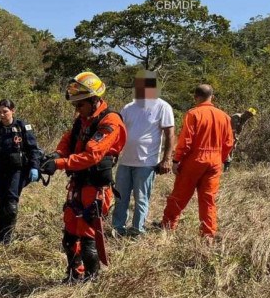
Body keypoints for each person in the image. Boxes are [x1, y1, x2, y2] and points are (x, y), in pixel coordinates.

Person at [41, 72, 127, 283]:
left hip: (95, 186)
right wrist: (57, 154)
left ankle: (91, 279)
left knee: (88, 236)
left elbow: (92, 155)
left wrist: (59, 164)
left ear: (94, 99)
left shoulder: (110, 121)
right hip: (78, 182)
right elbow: (69, 138)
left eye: (80, 105)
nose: (77, 110)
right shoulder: (83, 119)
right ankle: (74, 274)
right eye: (75, 106)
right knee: (70, 234)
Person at [159, 85, 234, 240]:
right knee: (208, 199)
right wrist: (219, 158)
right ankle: (208, 234)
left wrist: (176, 159)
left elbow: (186, 140)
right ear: (212, 97)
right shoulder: (224, 116)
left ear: (196, 97)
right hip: (215, 161)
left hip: (195, 159)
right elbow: (228, 143)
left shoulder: (193, 114)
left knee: (180, 195)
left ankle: (168, 226)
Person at [112, 70, 175, 237]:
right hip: (125, 161)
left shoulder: (163, 106)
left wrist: (167, 159)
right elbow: (118, 131)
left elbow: (170, 134)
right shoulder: (128, 107)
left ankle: (137, 231)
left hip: (146, 163)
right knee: (120, 198)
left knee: (141, 199)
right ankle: (117, 229)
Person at [0, 99, 41, 245]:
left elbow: (33, 149)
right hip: (0, 170)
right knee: (0, 201)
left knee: (11, 202)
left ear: (13, 111)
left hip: (17, 170)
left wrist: (34, 167)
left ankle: (7, 237)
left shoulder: (22, 127)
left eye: (5, 111)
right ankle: (1, 235)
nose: (2, 115)